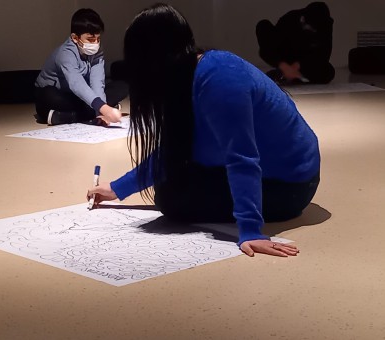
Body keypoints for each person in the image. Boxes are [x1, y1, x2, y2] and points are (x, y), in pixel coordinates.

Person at [87, 3, 321, 258]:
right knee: (172, 183)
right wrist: (116, 189)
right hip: (275, 169)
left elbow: (242, 157)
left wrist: (251, 230)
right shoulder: (189, 75)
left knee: (171, 198)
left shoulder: (218, 77)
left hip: (291, 184)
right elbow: (174, 151)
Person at [34, 8, 127, 126]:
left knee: (122, 86)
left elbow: (97, 82)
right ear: (75, 38)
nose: (95, 43)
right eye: (90, 39)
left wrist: (101, 110)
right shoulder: (65, 53)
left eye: (98, 39)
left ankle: (67, 117)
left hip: (81, 94)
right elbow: (76, 83)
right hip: (59, 93)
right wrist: (105, 108)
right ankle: (85, 113)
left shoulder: (97, 50)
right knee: (49, 96)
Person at [256, 2, 335, 84]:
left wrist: (298, 66)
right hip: (285, 57)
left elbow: (323, 55)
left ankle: (290, 77)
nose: (315, 31)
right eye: (312, 28)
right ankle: (285, 75)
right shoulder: (289, 19)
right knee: (263, 25)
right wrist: (284, 66)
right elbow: (268, 50)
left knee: (328, 71)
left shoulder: (325, 25)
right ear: (303, 20)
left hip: (304, 63)